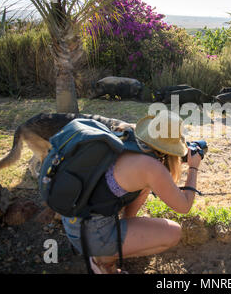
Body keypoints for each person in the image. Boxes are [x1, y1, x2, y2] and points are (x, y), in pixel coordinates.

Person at [61, 111, 203, 274]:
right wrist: (193, 167)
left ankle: (118, 239)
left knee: (144, 187)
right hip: (92, 236)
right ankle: (102, 261)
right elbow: (184, 206)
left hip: (74, 221)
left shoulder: (125, 138)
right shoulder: (150, 167)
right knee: (173, 232)